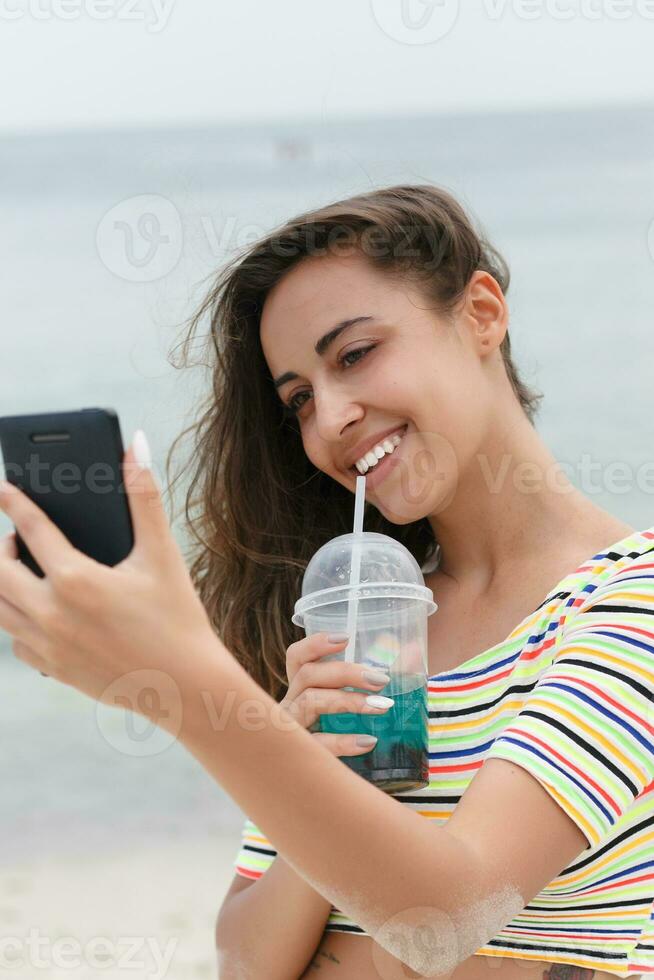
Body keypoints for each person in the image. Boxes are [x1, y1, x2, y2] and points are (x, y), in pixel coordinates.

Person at [162, 184, 654, 979]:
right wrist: (306, 768)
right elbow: (246, 963)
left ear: (482, 315)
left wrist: (190, 691)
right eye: (298, 401)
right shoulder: (367, 631)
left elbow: (449, 919)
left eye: (354, 355)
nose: (329, 420)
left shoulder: (629, 602)